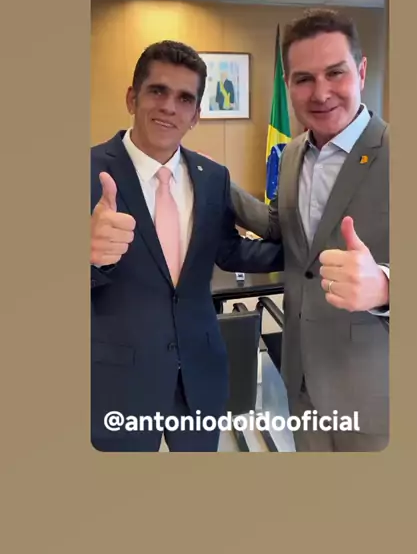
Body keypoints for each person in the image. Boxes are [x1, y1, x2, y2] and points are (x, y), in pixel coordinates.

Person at [90, 40, 283, 452]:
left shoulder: (212, 176)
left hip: (199, 374)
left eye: (184, 98)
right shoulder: (87, 172)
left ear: (196, 115)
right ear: (132, 98)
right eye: (157, 91)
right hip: (116, 382)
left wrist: (309, 255)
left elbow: (229, 250)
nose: (169, 107)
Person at [230, 9, 389, 452]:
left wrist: (386, 287)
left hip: (375, 396)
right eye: (303, 79)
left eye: (335, 73)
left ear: (361, 72)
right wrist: (217, 183)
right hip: (301, 384)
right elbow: (287, 230)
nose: (320, 93)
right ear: (287, 84)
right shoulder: (293, 152)